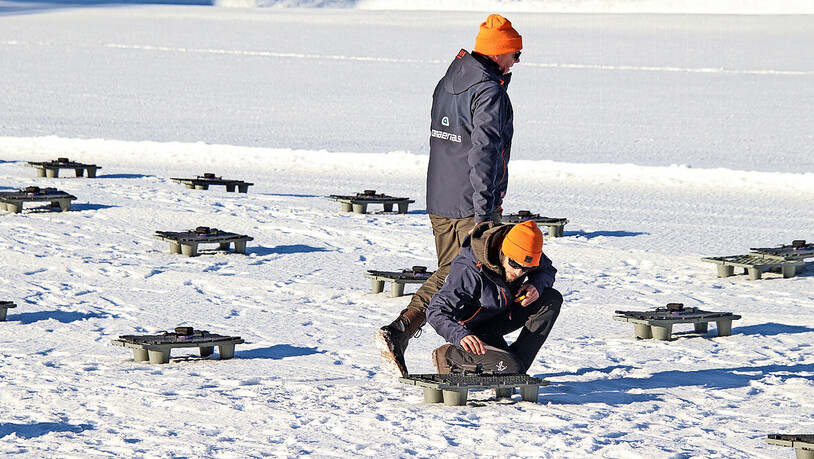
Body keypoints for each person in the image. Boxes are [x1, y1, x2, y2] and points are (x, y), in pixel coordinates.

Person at [375, 14, 525, 377]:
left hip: (440, 196)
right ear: (499, 52)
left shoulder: (449, 80)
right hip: (469, 203)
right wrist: (484, 210)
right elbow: (484, 154)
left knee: (452, 274)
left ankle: (432, 339)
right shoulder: (488, 91)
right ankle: (408, 333)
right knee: (461, 276)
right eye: (515, 53)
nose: (518, 61)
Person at [427, 220, 562, 374]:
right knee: (512, 368)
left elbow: (547, 269)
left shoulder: (526, 250)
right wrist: (460, 335)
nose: (518, 273)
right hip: (472, 332)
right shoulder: (468, 270)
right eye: (514, 264)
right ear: (503, 251)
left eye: (526, 269)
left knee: (551, 298)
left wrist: (535, 285)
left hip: (501, 315)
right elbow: (436, 311)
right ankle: (449, 355)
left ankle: (511, 366)